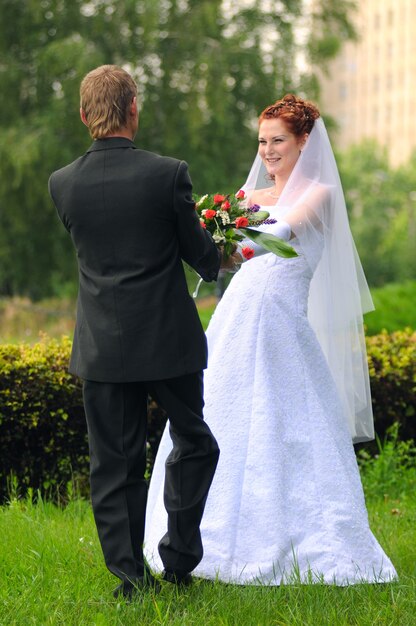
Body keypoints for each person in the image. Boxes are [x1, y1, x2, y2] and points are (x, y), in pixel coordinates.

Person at [144, 95, 398, 585]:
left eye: (278, 140)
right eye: (262, 141)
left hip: (282, 319)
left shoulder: (319, 194)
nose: (267, 151)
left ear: (305, 141)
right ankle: (195, 537)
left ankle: (299, 536)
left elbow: (276, 234)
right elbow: (229, 249)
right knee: (221, 412)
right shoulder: (250, 197)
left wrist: (227, 236)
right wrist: (203, 238)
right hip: (237, 313)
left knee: (288, 420)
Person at [48, 65, 238, 599]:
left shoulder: (62, 184)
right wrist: (221, 249)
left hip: (101, 347)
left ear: (84, 115)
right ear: (134, 108)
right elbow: (201, 254)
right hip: (168, 342)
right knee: (195, 444)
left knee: (113, 463)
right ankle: (178, 564)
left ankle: (129, 578)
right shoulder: (167, 174)